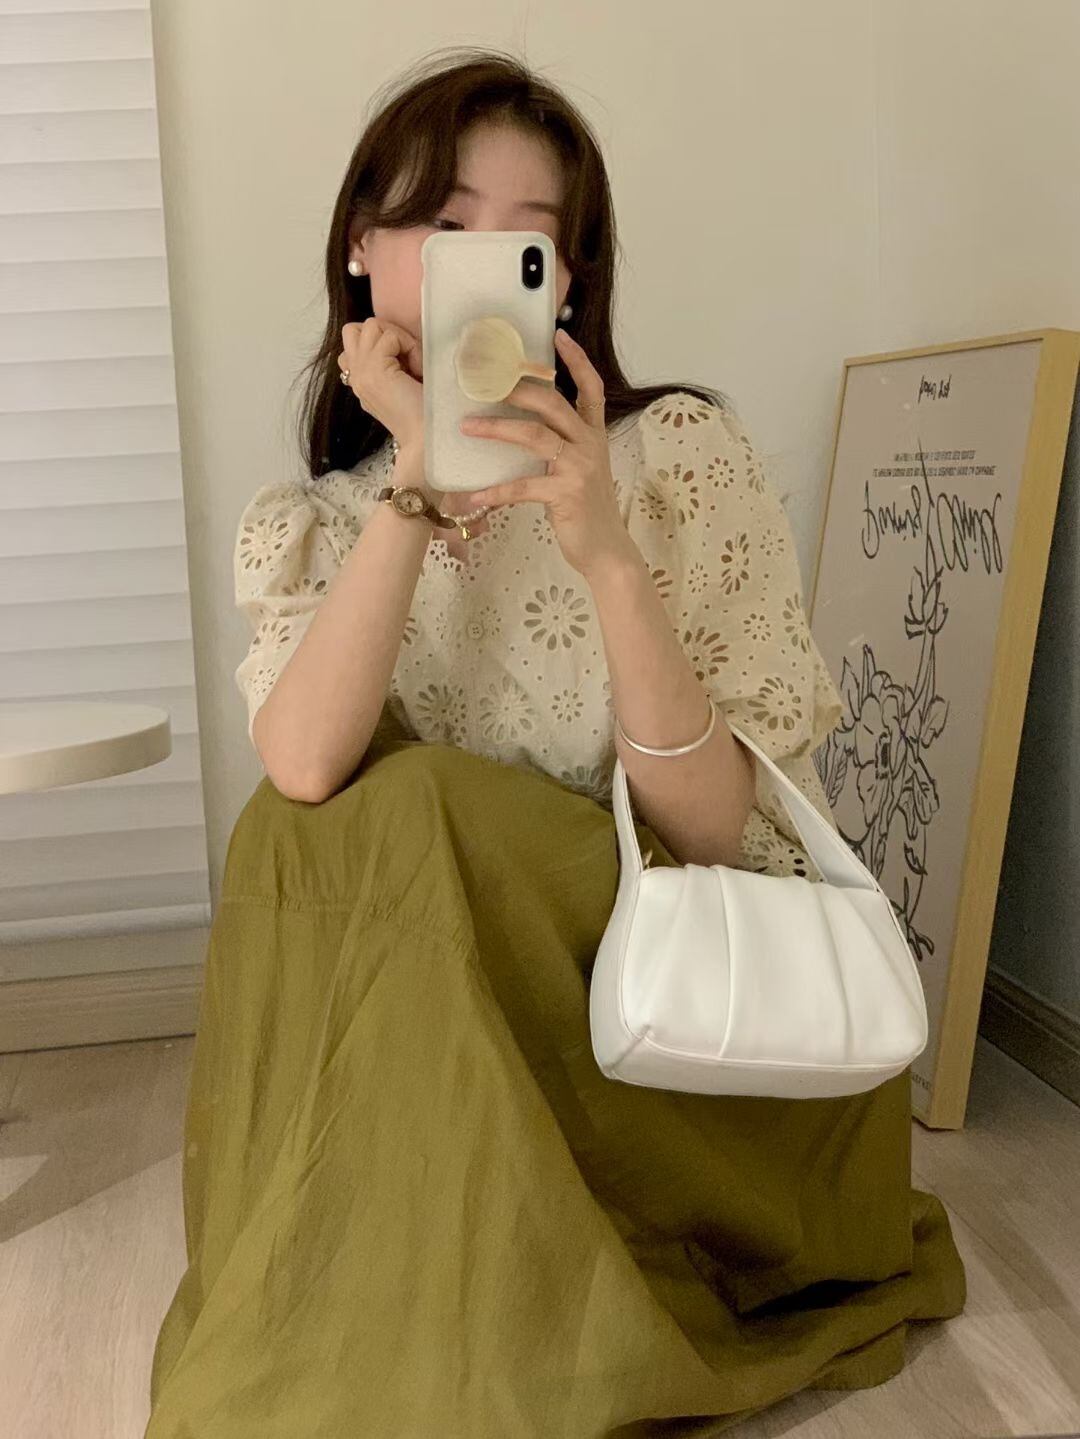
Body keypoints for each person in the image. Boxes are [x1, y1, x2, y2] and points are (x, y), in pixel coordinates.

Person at [144, 46, 966, 1439]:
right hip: (462, 1046)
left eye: (528, 243)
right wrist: (414, 482)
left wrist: (606, 553)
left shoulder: (677, 459)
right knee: (307, 824)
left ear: (568, 286)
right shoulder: (324, 523)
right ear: (361, 253)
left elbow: (716, 839)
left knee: (421, 810)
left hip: (684, 1029)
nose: (481, 265)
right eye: (443, 223)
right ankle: (375, 1296)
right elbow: (305, 770)